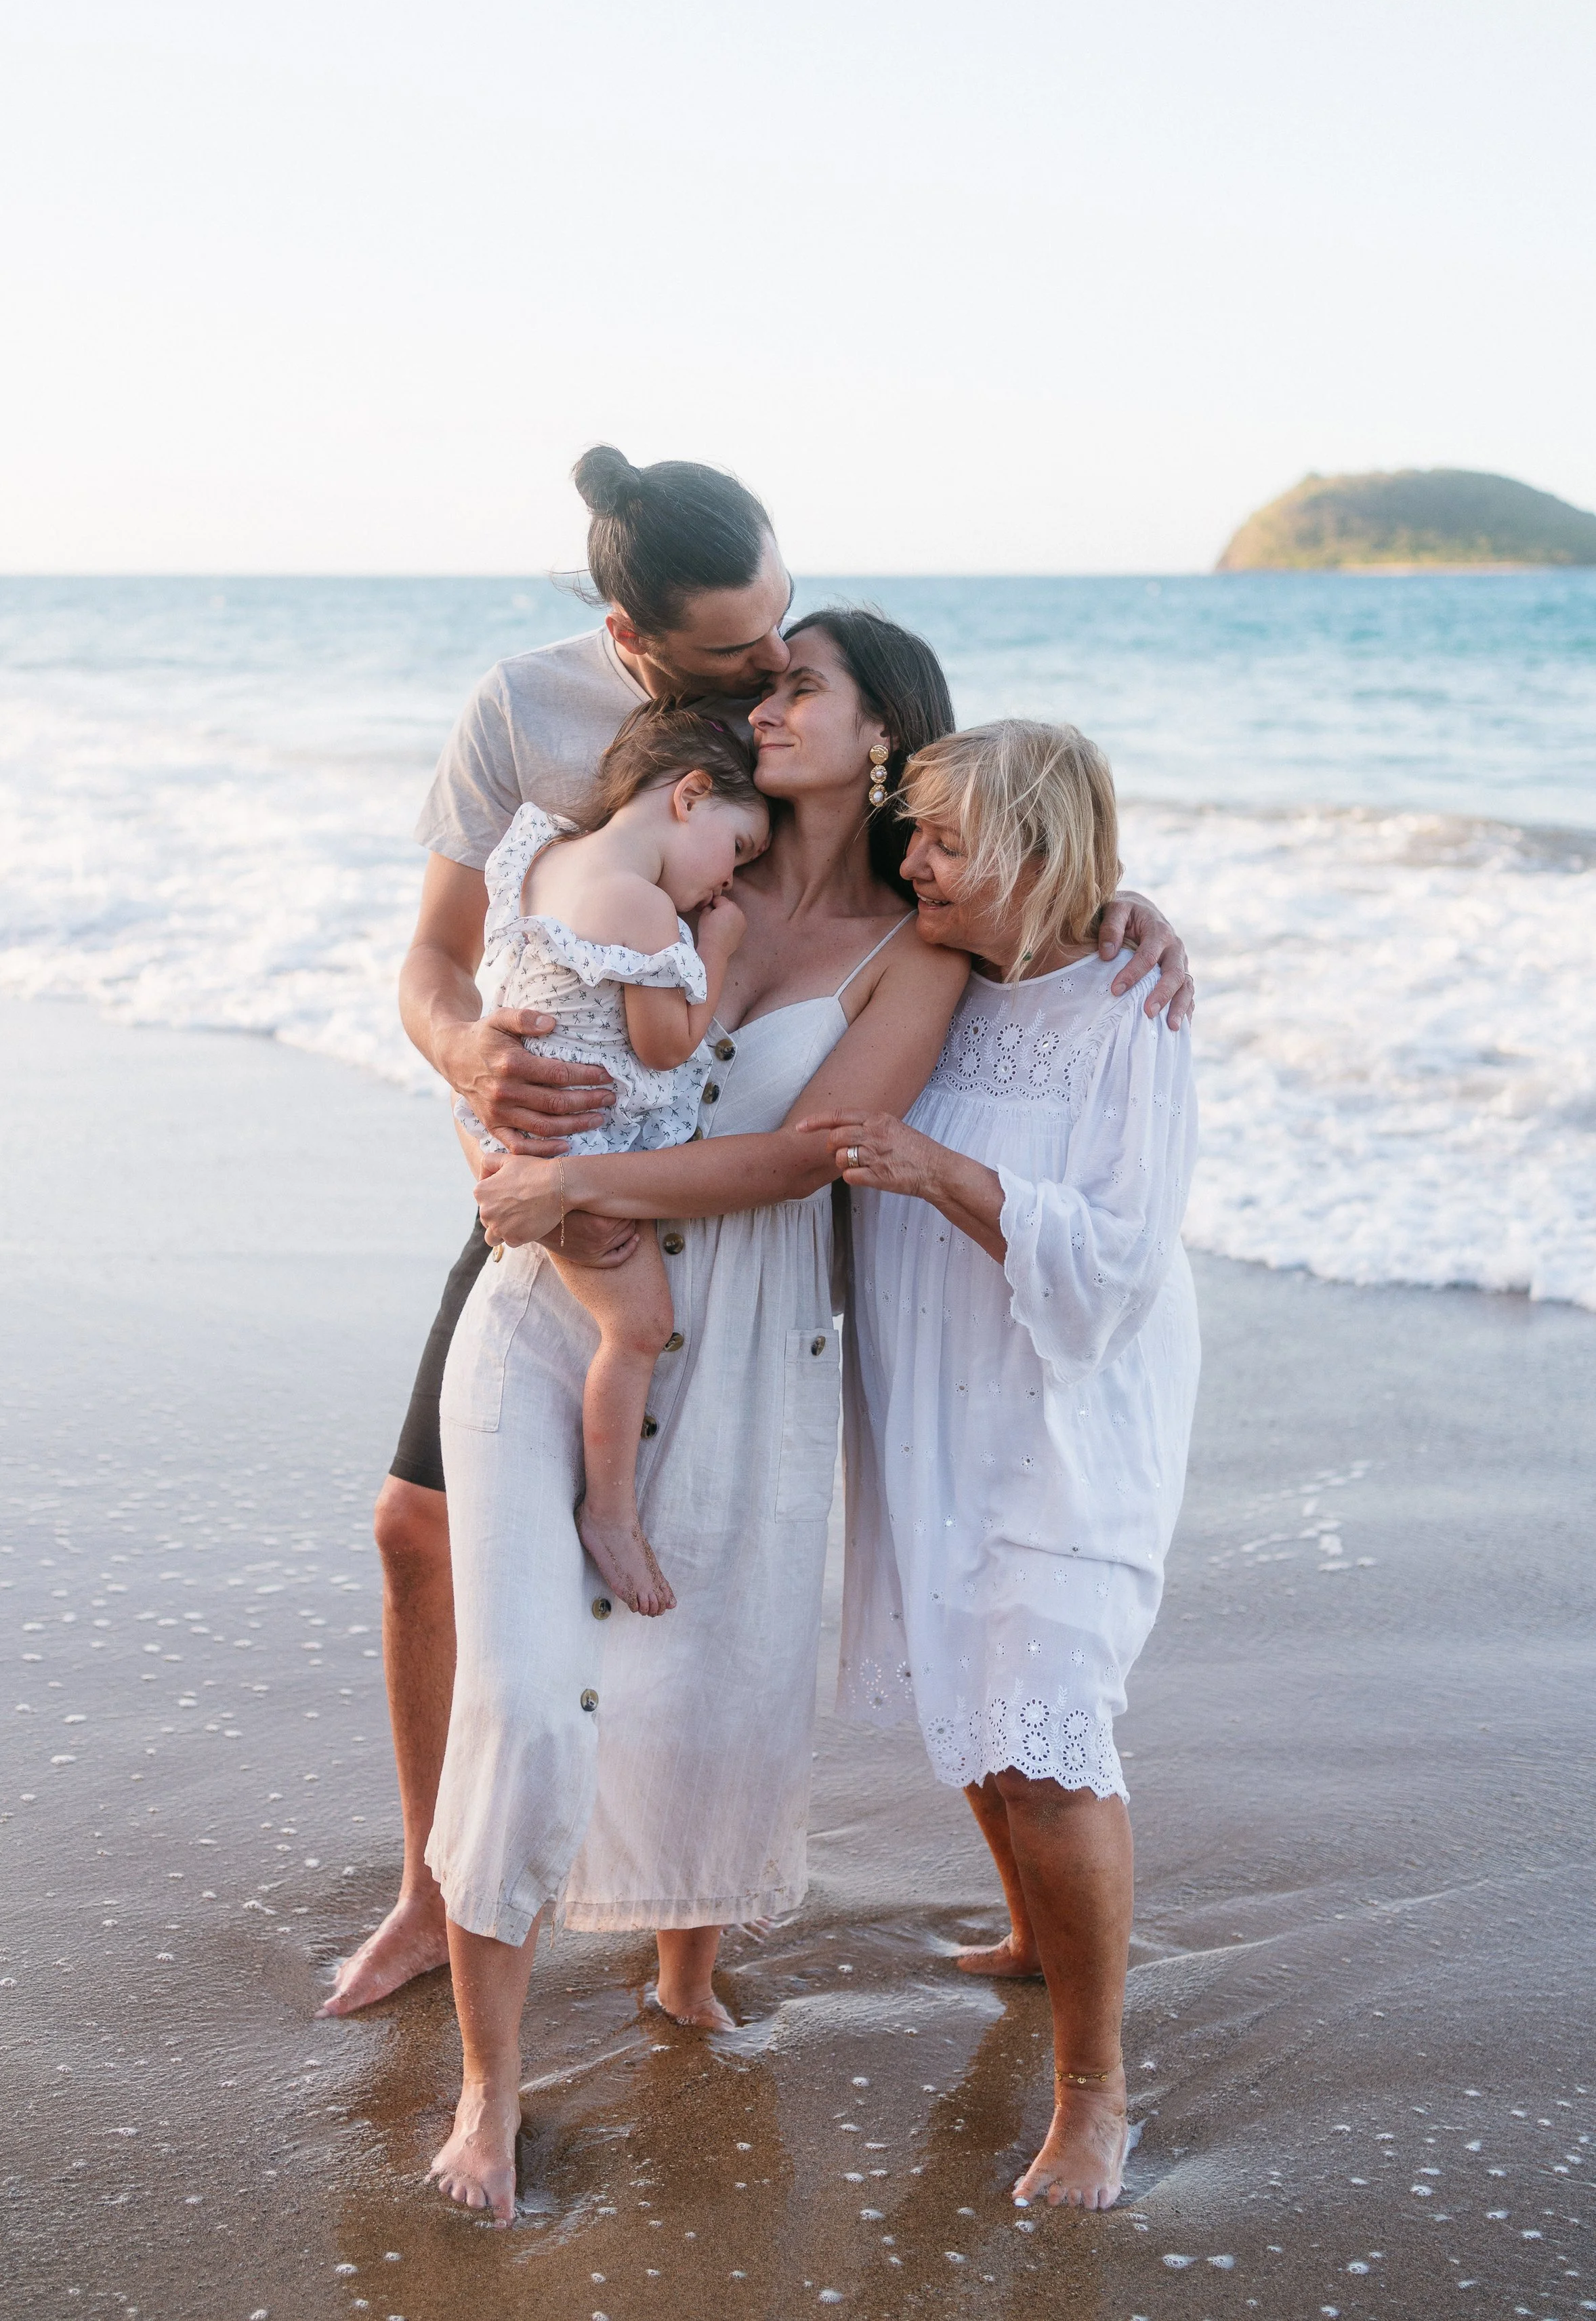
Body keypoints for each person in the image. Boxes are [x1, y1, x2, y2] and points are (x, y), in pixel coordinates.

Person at [319, 446, 1194, 2020]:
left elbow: (1003, 834)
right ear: (636, 639)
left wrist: (1118, 911)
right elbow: (470, 957)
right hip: (567, 1188)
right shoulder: (605, 739)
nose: (767, 677)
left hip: (719, 1240)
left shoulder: (867, 850)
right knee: (420, 1530)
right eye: (745, 658)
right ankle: (429, 1892)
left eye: (788, 649)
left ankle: (692, 1951)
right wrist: (478, 1085)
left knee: (714, 1622)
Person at [801, 718, 1201, 2214]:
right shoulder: (944, 977)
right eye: (912, 832)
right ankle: (1036, 1934)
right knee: (974, 1685)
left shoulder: (1131, 1009)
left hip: (1062, 1415)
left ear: (1038, 853)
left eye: (947, 842)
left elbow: (1118, 1265)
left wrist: (935, 1170)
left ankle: (1094, 2092)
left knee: (1048, 1732)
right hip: (933, 1400)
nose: (913, 862)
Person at [454, 707, 770, 1616]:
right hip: (573, 1144)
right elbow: (666, 1043)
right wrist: (715, 949)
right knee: (638, 1328)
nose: (729, 880)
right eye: (737, 850)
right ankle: (611, 1512)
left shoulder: (544, 856)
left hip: (506, 1121)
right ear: (690, 795)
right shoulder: (644, 907)